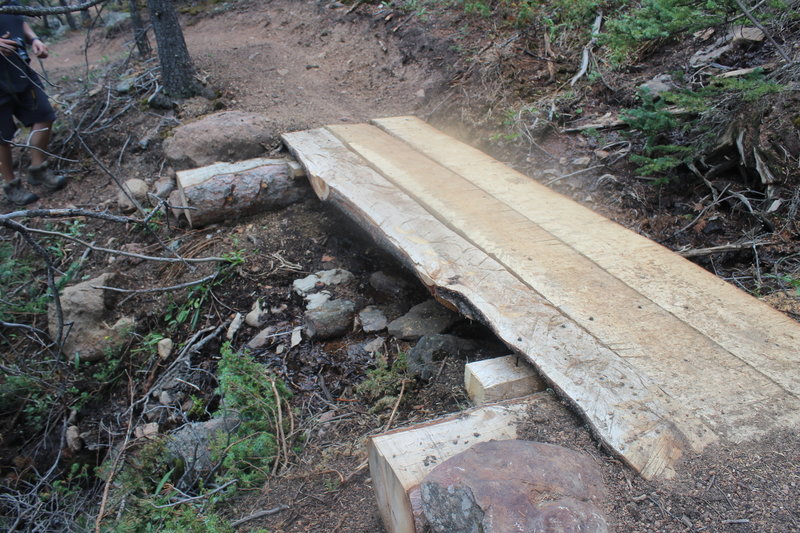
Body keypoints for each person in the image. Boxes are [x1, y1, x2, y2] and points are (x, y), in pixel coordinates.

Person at [0, 0, 65, 206]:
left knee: (44, 114)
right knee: (2, 137)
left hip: (20, 70)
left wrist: (34, 39)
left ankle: (38, 169)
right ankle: (11, 186)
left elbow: (18, 20)